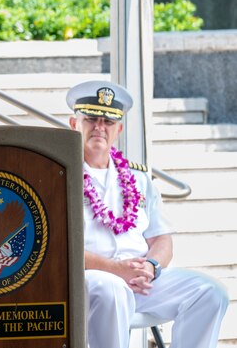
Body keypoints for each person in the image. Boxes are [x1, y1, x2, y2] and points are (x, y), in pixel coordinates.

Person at [66, 81, 228, 348]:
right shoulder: (60, 174)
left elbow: (161, 238)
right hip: (90, 278)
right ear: (74, 124)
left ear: (118, 129)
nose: (99, 127)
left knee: (209, 292)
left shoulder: (139, 178)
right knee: (111, 289)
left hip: (141, 280)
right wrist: (115, 269)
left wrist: (151, 267)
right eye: (91, 119)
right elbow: (59, 246)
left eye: (108, 121)